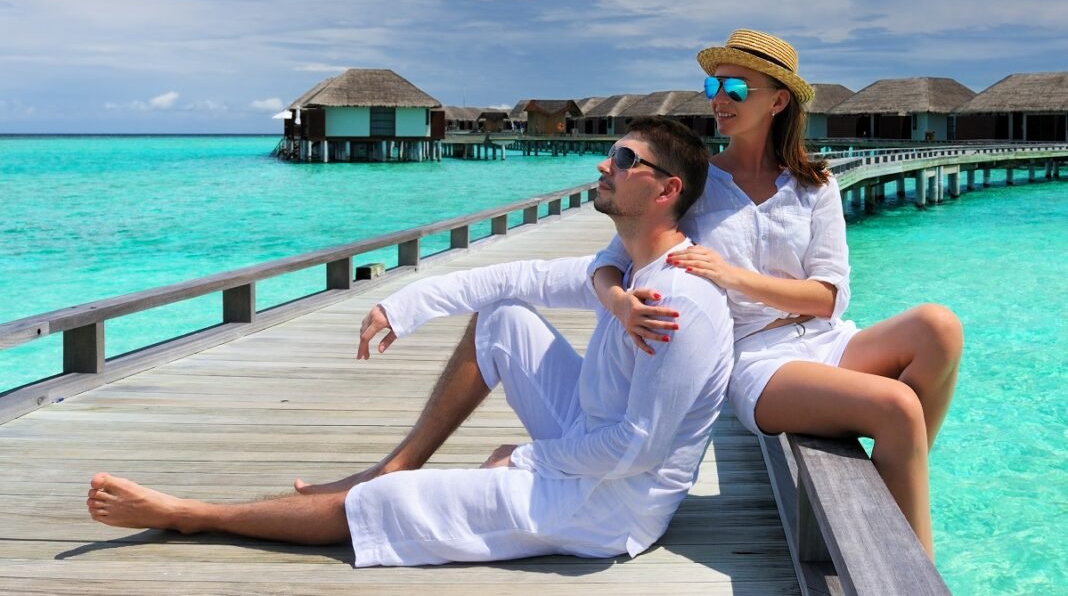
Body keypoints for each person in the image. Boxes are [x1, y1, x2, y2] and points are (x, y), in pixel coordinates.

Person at [87, 116, 735, 567]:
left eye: (623, 160)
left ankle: (193, 513)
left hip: (611, 506)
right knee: (502, 314)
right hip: (591, 439)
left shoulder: (675, 304)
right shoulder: (626, 269)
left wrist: (527, 457)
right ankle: (399, 461)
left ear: (665, 190)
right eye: (610, 152)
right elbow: (515, 277)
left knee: (379, 505)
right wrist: (404, 305)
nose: (603, 164)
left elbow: (637, 450)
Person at [589, 30, 962, 560]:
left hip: (826, 339)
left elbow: (830, 297)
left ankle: (893, 501)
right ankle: (917, 568)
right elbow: (608, 264)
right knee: (900, 406)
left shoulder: (815, 183)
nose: (719, 99)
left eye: (736, 88)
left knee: (940, 327)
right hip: (755, 359)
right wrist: (621, 304)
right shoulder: (695, 182)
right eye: (713, 86)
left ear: (778, 101)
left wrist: (733, 276)